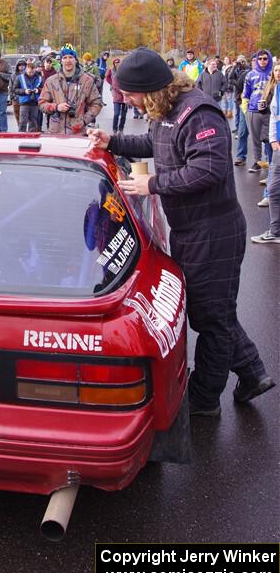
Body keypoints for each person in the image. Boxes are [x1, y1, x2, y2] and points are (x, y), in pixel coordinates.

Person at [88, 47, 275, 416]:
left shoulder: (198, 111)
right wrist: (113, 141)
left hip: (214, 230)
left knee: (212, 319)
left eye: (130, 94)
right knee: (211, 311)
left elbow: (209, 169)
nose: (127, 99)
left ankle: (205, 401)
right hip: (191, 229)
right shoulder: (165, 110)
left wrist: (153, 185)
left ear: (150, 88)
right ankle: (253, 372)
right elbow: (154, 144)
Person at [39, 44, 102, 135]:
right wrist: (56, 107)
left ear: (76, 60)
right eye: (64, 57)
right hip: (55, 134)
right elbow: (41, 103)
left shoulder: (87, 81)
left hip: (77, 133)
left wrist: (83, 121)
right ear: (61, 61)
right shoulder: (51, 81)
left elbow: (97, 103)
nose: (68, 61)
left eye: (71, 57)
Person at [251, 61, 280, 244]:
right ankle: (276, 231)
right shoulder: (276, 90)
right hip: (278, 147)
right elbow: (274, 118)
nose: (278, 73)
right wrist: (273, 139)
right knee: (274, 189)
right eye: (276, 70)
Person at [243, 49, 273, 173]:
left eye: (265, 58)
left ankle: (270, 161)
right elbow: (246, 93)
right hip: (253, 111)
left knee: (269, 138)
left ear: (269, 59)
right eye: (259, 58)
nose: (262, 61)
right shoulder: (250, 74)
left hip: (270, 112)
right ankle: (257, 161)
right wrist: (245, 109)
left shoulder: (274, 73)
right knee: (255, 138)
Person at [12, 59, 42, 132]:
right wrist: (24, 91)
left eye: (32, 72)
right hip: (24, 103)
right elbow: (15, 89)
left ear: (35, 70)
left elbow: (44, 89)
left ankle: (32, 137)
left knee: (33, 122)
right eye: (29, 72)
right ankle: (21, 136)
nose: (31, 73)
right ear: (26, 69)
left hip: (35, 103)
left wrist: (38, 90)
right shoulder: (19, 77)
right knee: (23, 122)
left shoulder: (39, 78)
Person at [105, 57, 127, 132]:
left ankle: (121, 128)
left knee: (123, 115)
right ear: (114, 63)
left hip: (125, 97)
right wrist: (111, 83)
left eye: (118, 62)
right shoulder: (112, 71)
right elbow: (107, 78)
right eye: (116, 62)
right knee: (116, 114)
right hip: (117, 96)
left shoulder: (124, 71)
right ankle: (114, 128)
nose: (117, 63)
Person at [9, 57, 27, 128]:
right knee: (17, 115)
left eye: (23, 65)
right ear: (17, 66)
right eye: (19, 65)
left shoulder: (28, 74)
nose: (21, 66)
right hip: (16, 99)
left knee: (25, 116)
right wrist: (12, 97)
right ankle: (20, 129)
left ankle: (25, 130)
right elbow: (10, 87)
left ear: (25, 66)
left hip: (25, 98)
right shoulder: (13, 75)